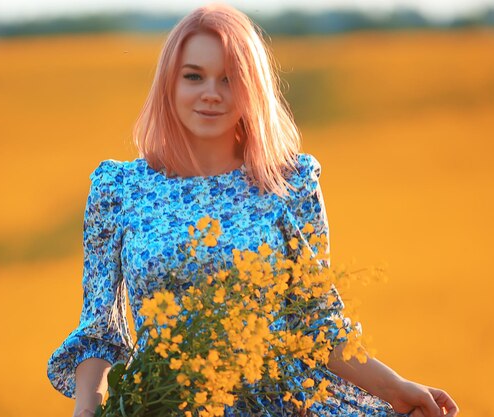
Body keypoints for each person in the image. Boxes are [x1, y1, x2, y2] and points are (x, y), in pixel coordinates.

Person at [46, 4, 459, 417]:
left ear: (252, 87)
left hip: (280, 406)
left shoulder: (288, 182)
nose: (212, 92)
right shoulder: (119, 190)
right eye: (194, 76)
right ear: (168, 85)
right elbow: (100, 331)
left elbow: (318, 325)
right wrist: (88, 412)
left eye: (230, 79)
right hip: (166, 404)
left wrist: (396, 388)